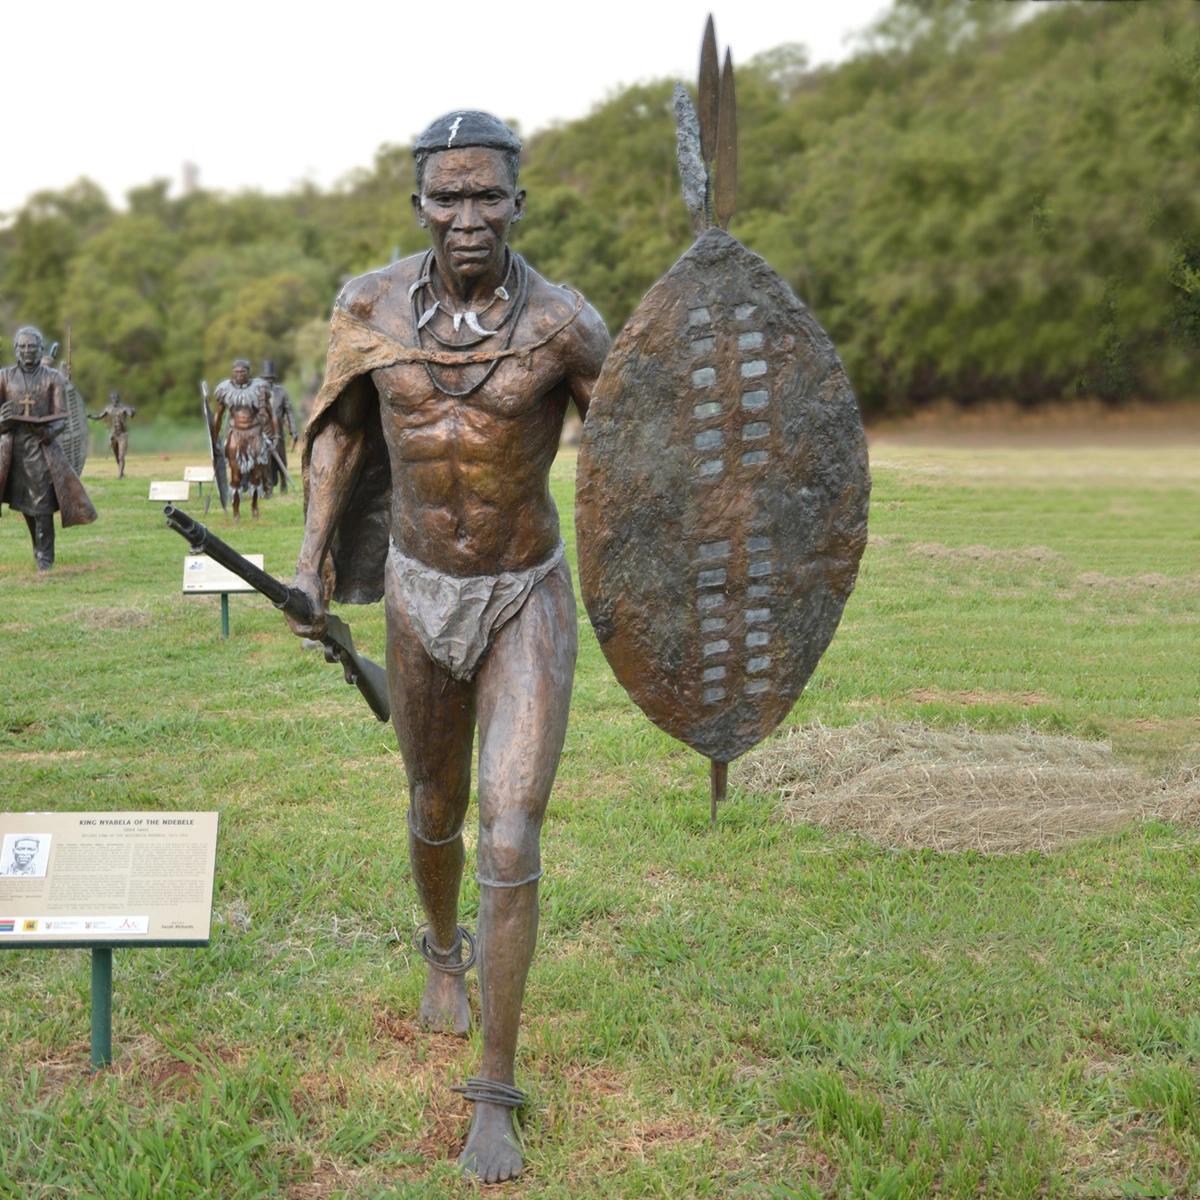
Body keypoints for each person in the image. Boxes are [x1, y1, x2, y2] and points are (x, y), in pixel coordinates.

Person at [287, 111, 609, 1183]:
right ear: (419, 204)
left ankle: (496, 1091)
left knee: (510, 835)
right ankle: (440, 952)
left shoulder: (563, 321)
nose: (467, 218)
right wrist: (311, 559)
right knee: (436, 811)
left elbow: (633, 446)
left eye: (488, 197)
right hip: (420, 593)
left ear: (519, 201)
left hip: (525, 591)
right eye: (446, 197)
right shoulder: (369, 305)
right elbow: (338, 428)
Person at [0, 326, 97, 569]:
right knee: (26, 506)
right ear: (16, 350)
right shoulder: (4, 377)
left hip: (42, 449)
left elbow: (62, 418)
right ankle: (37, 549)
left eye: (31, 346)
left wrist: (46, 432)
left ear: (41, 348)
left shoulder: (52, 377)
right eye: (22, 347)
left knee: (42, 505)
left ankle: (46, 558)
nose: (27, 351)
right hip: (14, 451)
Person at [210, 359, 277, 521]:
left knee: (256, 475)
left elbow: (271, 414)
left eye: (242, 372)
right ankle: (236, 511)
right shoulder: (226, 390)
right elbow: (218, 416)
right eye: (236, 372)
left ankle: (254, 507)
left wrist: (276, 436)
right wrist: (214, 439)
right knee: (235, 476)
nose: (239, 375)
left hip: (254, 434)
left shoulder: (259, 389)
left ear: (248, 373)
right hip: (236, 435)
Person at [260, 360, 297, 493]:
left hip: (278, 432)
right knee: (265, 462)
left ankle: (283, 484)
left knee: (281, 459)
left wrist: (293, 429)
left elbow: (289, 412)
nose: (268, 381)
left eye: (270, 378)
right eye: (265, 379)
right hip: (263, 432)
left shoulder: (281, 392)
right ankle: (267, 487)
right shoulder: (258, 393)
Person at [88, 392, 136, 479]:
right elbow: (99, 416)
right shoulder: (108, 409)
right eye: (113, 398)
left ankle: (120, 476)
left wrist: (133, 411)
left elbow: (131, 414)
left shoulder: (124, 408)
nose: (114, 399)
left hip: (122, 434)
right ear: (111, 399)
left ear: (118, 398)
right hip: (113, 435)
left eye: (116, 397)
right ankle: (121, 472)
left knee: (121, 456)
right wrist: (90, 416)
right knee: (116, 455)